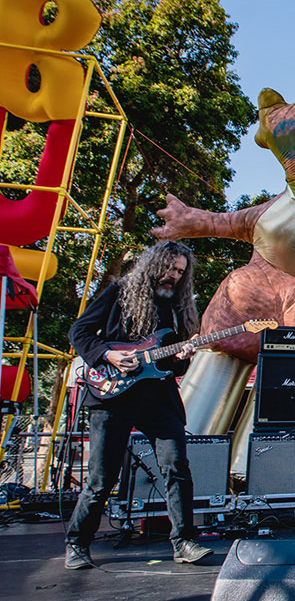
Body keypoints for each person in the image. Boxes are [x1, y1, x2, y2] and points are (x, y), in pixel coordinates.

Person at [64, 241, 213, 569]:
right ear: (154, 263)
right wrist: (109, 354)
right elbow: (80, 331)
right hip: (112, 394)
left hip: (158, 398)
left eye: (180, 272)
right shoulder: (120, 292)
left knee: (177, 466)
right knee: (103, 478)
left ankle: (184, 541)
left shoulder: (177, 307)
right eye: (170, 268)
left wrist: (182, 356)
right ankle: (77, 543)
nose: (174, 276)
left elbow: (172, 366)